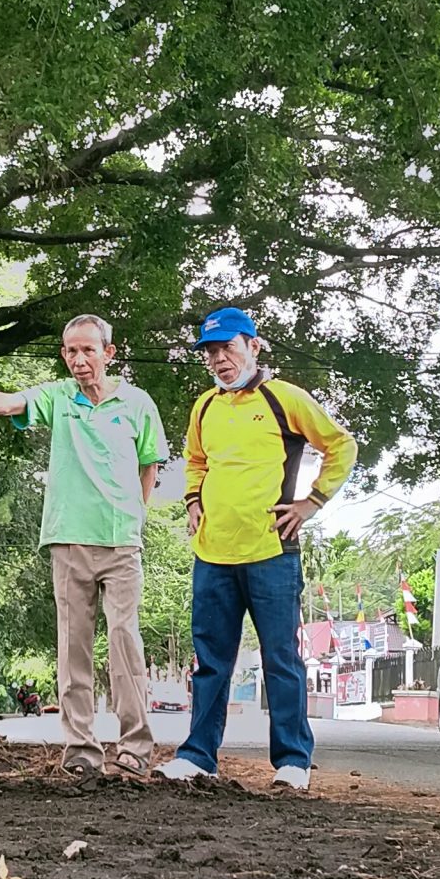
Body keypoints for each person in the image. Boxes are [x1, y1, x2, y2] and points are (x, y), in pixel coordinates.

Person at [0, 316, 170, 778]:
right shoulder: (57, 397)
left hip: (120, 544)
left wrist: (135, 515)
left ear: (108, 354)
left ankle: (134, 746)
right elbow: (9, 403)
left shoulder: (135, 403)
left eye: (88, 351)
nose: (79, 360)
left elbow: (149, 464)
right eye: (70, 352)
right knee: (72, 647)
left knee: (124, 642)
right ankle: (81, 747)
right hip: (68, 540)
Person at [159, 307, 356, 789]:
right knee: (209, 661)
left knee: (281, 658)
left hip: (272, 552)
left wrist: (310, 503)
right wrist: (191, 501)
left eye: (228, 347)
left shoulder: (283, 397)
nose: (220, 359)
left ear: (254, 345)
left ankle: (292, 761)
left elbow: (341, 446)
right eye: (210, 351)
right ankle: (198, 755)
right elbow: (196, 461)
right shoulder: (204, 406)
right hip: (212, 554)